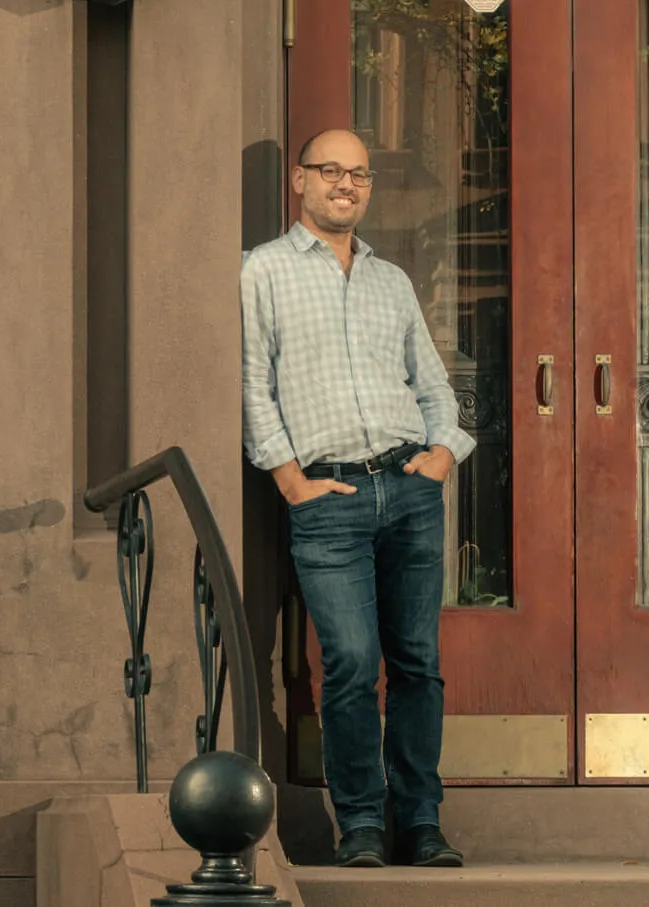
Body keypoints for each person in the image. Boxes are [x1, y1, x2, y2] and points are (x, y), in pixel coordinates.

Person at [240, 128, 474, 869]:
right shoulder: (261, 272)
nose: (348, 184)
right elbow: (252, 382)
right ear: (301, 182)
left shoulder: (391, 280)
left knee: (417, 662)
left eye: (361, 174)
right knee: (347, 659)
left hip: (409, 488)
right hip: (328, 496)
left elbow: (432, 379)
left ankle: (422, 822)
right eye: (332, 171)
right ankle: (363, 824)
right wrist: (291, 482)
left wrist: (443, 453)